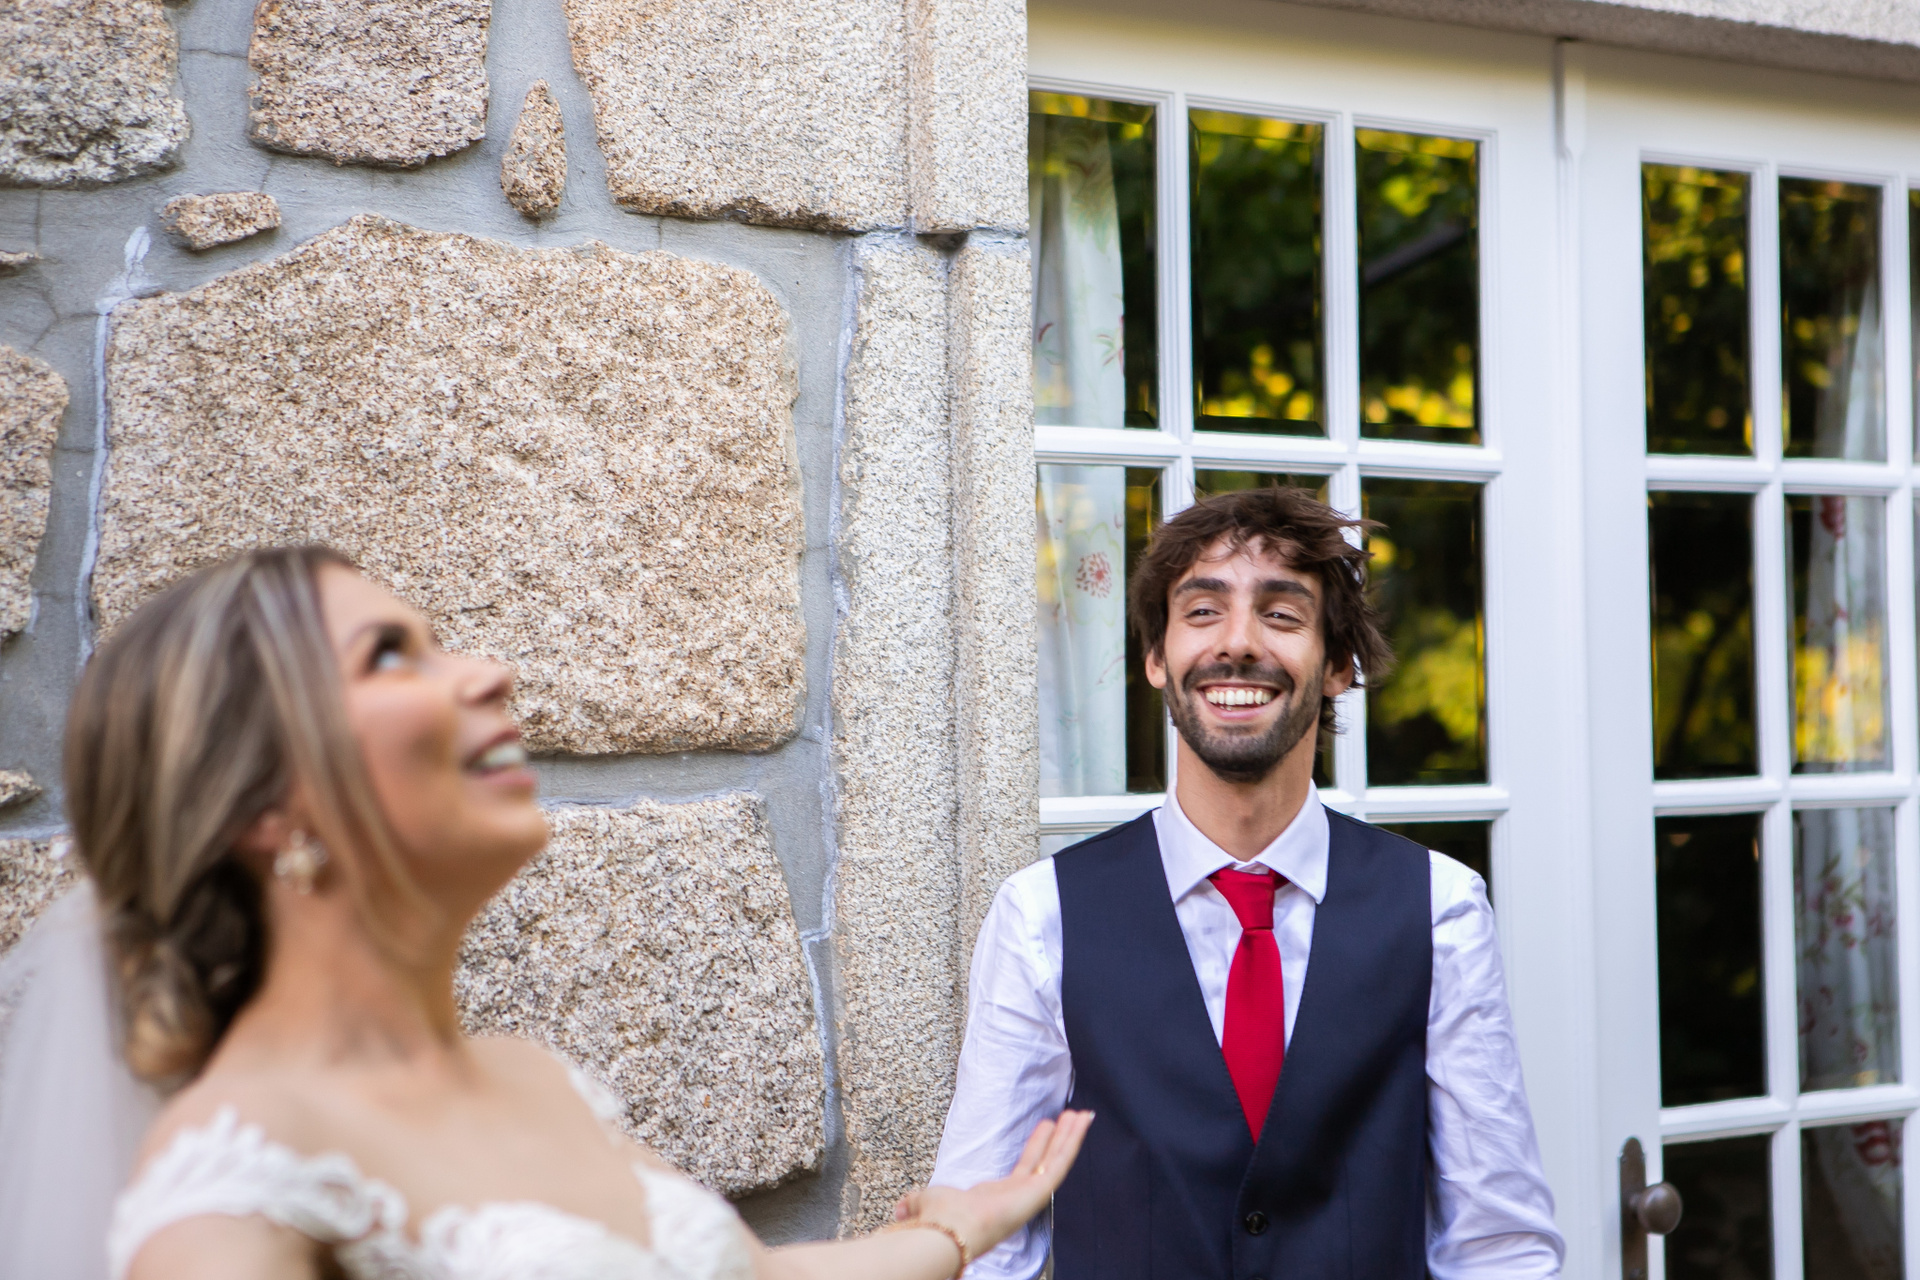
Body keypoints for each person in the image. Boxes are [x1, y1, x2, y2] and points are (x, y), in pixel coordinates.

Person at [6, 545, 1089, 1280]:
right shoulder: (235, 1180)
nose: (489, 673)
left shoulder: (532, 1077)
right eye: (389, 655)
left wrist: (959, 1226)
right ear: (261, 802)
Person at [931, 487, 1566, 1280]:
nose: (1237, 643)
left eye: (1281, 614)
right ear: (1156, 658)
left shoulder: (1441, 910)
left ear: (1337, 665)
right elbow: (979, 1243)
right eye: (1202, 612)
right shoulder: (1041, 917)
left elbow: (1499, 1248)